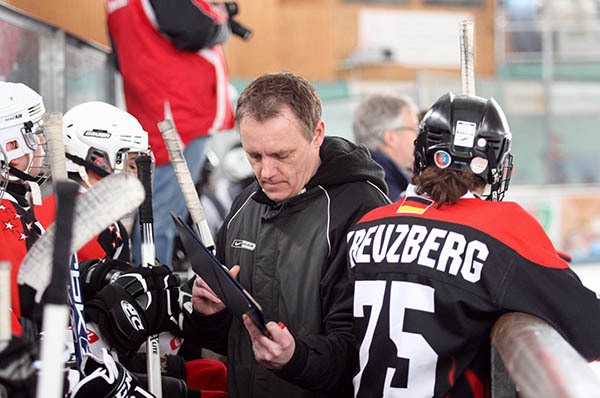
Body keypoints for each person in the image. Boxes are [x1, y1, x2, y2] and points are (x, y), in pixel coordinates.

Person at [347, 92, 600, 397]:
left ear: (422, 150)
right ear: (493, 162)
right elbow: (588, 325)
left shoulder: (367, 224)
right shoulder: (501, 226)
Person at [184, 71, 391, 398]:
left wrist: (296, 359)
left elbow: (364, 349)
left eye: (282, 155)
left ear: (317, 133)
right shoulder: (245, 203)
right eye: (254, 156)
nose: (265, 172)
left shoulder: (361, 209)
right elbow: (230, 341)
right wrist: (209, 314)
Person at [106, 0, 235, 265]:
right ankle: (150, 293)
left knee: (155, 213)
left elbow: (120, 58)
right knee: (161, 217)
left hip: (157, 111)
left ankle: (146, 285)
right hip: (178, 116)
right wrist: (223, 18)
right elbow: (197, 29)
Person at [352, 93, 419, 201]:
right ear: (390, 137)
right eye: (414, 129)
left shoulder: (360, 175)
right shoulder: (386, 191)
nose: (418, 136)